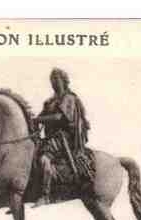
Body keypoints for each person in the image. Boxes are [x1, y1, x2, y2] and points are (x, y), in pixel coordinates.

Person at [31, 67, 94, 207]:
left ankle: (46, 195)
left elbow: (60, 117)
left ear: (64, 81)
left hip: (64, 137)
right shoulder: (50, 101)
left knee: (44, 159)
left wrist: (38, 120)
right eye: (51, 80)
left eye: (56, 79)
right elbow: (40, 117)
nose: (53, 82)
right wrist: (33, 121)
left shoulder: (69, 98)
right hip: (51, 138)